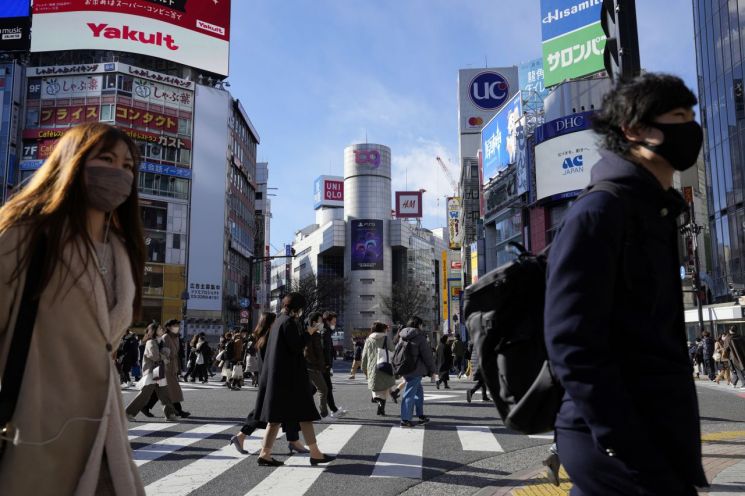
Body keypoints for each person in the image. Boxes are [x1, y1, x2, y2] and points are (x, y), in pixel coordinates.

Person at [544, 74, 707, 494]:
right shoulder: (600, 211)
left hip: (652, 432)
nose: (691, 127)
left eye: (692, 115)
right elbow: (570, 341)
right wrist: (623, 442)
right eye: (677, 116)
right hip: (617, 441)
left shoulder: (655, 213)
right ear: (634, 129)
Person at [0, 122, 146, 494]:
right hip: (33, 433)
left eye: (128, 166)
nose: (119, 173)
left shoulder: (121, 251)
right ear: (74, 163)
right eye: (107, 159)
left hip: (104, 436)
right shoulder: (25, 236)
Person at [252, 293, 335, 466]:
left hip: (278, 377)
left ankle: (265, 454)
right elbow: (296, 346)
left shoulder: (277, 322)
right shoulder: (289, 322)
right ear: (297, 308)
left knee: (275, 418)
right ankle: (315, 453)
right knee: (304, 414)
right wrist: (309, 333)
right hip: (291, 378)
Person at [126, 324, 178, 423]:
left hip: (158, 370)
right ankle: (127, 413)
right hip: (152, 371)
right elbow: (155, 357)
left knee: (164, 393)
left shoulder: (160, 342)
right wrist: (165, 354)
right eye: (159, 328)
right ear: (154, 331)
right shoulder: (151, 342)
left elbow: (162, 356)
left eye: (162, 328)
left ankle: (170, 414)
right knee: (145, 394)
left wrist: (164, 354)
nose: (162, 329)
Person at [143, 319, 190, 418]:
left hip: (171, 366)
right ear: (168, 327)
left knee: (160, 391)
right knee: (170, 389)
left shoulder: (176, 338)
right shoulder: (165, 337)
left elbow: (177, 354)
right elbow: (161, 353)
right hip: (164, 367)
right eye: (175, 325)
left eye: (178, 325)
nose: (177, 327)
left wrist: (178, 368)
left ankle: (145, 406)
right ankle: (178, 411)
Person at [398, 316, 436, 428]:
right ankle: (405, 420)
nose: (422, 326)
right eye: (422, 324)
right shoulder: (420, 337)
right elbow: (428, 356)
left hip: (405, 368)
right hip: (416, 370)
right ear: (418, 325)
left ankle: (420, 415)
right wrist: (433, 370)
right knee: (409, 394)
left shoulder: (402, 336)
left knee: (418, 392)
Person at [361, 322, 397, 416]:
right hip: (384, 366)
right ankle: (381, 409)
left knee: (375, 388)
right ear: (382, 329)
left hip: (372, 368)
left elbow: (364, 356)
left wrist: (364, 368)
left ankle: (378, 401)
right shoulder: (386, 338)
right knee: (384, 389)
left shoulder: (369, 340)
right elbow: (393, 350)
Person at [304, 312, 331, 418]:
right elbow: (308, 351)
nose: (322, 323)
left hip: (311, 366)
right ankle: (323, 413)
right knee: (323, 389)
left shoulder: (315, 333)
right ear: (314, 322)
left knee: (312, 389)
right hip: (312, 367)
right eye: (320, 321)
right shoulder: (312, 334)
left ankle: (307, 411)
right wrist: (316, 364)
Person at [321, 311, 347, 418]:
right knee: (324, 388)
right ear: (328, 320)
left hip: (324, 365)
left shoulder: (326, 331)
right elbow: (325, 350)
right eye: (334, 321)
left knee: (325, 388)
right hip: (323, 365)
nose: (335, 324)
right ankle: (329, 411)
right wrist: (327, 364)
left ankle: (333, 409)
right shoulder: (325, 332)